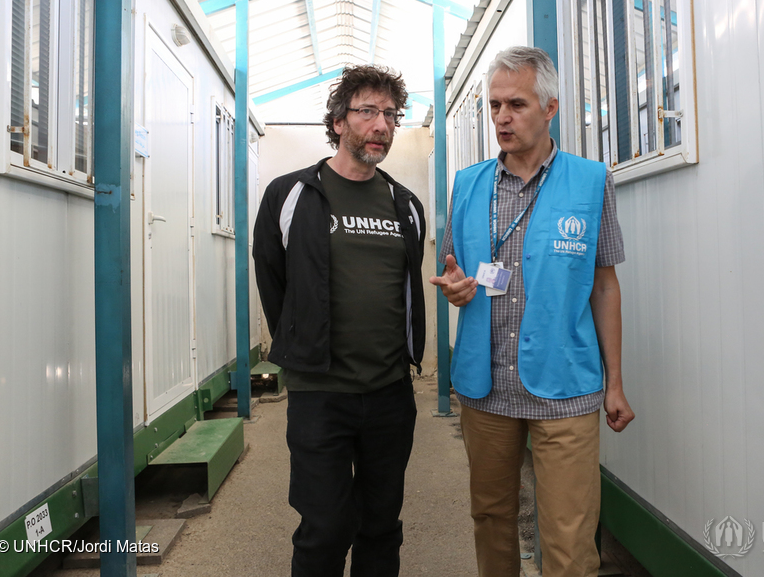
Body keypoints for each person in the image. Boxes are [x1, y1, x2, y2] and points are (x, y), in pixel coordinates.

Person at [430, 46, 635, 577]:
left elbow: (605, 286)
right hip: (485, 384)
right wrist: (455, 288)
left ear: (550, 109)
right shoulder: (467, 185)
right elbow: (455, 269)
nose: (501, 117)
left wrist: (615, 383)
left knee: (569, 537)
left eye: (516, 104)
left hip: (566, 384)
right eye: (495, 105)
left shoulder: (591, 182)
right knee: (492, 516)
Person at [253, 64, 426, 577]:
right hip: (320, 395)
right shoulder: (290, 196)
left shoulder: (405, 205)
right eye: (368, 112)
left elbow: (406, 284)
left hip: (390, 395)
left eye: (391, 115)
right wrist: (302, 344)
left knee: (381, 525)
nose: (381, 126)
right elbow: (273, 281)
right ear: (337, 123)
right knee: (324, 527)